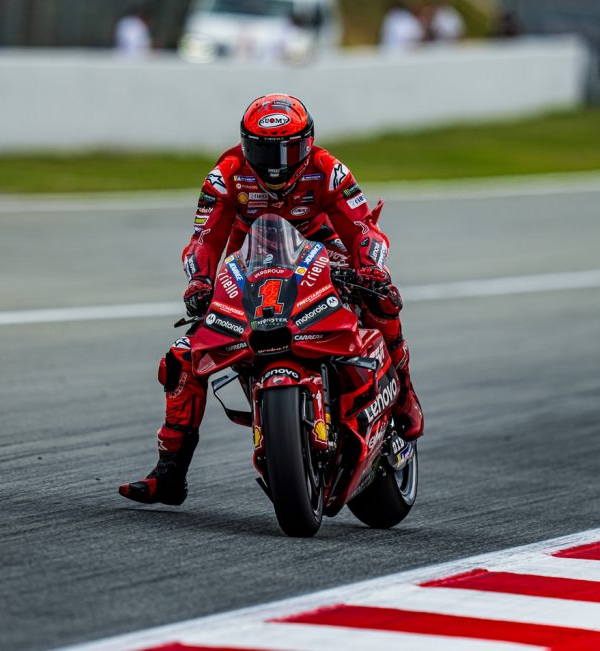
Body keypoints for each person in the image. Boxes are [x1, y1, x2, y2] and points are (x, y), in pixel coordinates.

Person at [119, 93, 425, 505]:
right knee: (183, 355)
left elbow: (363, 228)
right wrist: (200, 283)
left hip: (324, 250)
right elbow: (203, 240)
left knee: (381, 300)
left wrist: (369, 268)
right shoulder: (225, 175)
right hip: (254, 261)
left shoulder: (329, 171)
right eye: (265, 150)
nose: (277, 163)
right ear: (246, 146)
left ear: (309, 143)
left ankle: (405, 396)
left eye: (289, 148)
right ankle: (170, 473)